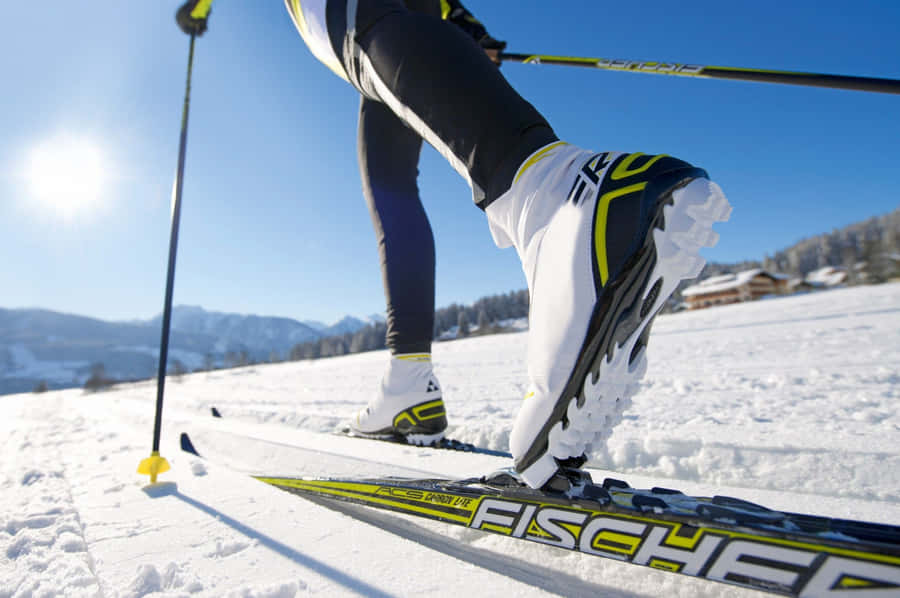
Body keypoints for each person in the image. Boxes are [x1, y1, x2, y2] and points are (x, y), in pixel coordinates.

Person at [176, 0, 731, 490]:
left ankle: (557, 194)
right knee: (389, 180)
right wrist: (464, 24)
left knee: (356, 26)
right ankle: (407, 381)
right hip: (414, 23)